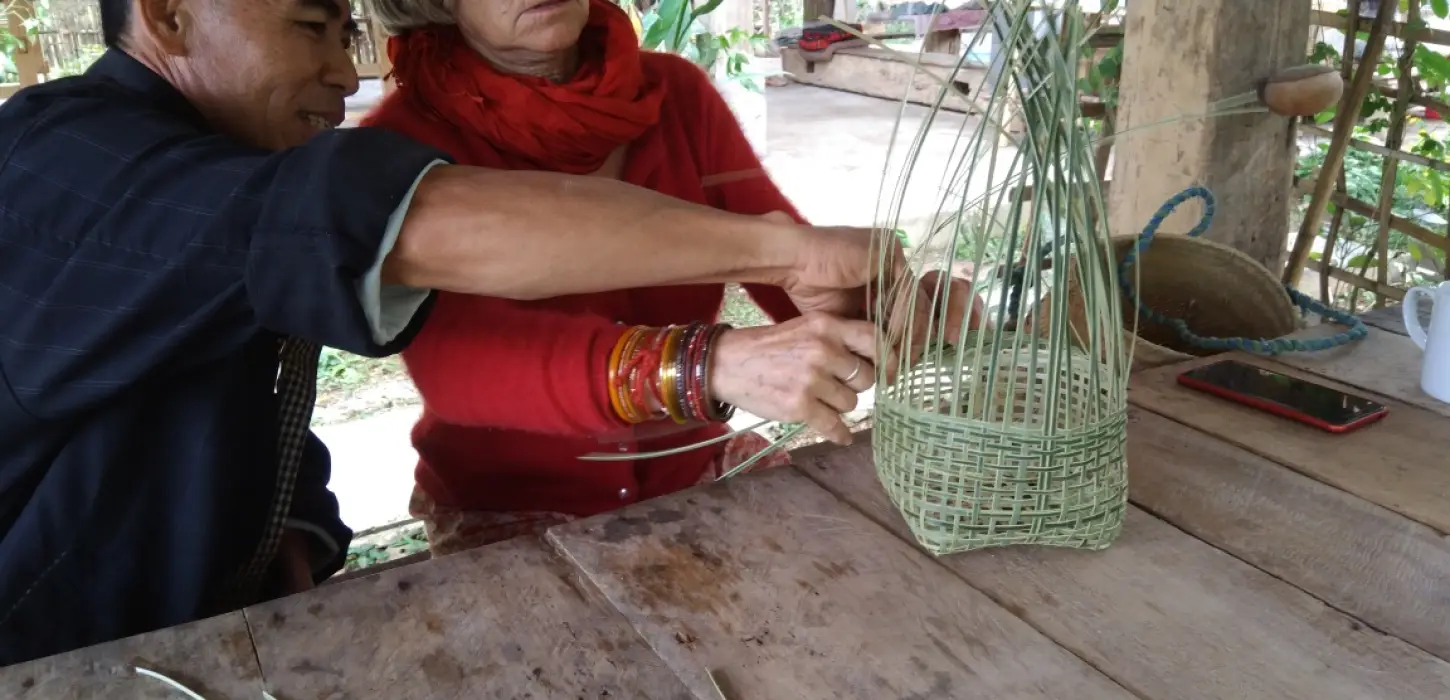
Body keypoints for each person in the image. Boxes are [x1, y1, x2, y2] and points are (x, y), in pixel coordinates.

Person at [0, 0, 904, 666]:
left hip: (688, 498)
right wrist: (733, 329)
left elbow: (236, 396)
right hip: (69, 657)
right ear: (168, 15)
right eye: (311, 29)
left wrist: (294, 531)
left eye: (343, 36)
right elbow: (428, 272)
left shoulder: (675, 93)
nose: (345, 73)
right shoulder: (71, 160)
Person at [357, 0, 901, 554]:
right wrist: (702, 365)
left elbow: (795, 270)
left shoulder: (675, 96)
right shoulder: (402, 146)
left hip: (688, 472)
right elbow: (461, 365)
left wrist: (881, 311)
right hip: (509, 504)